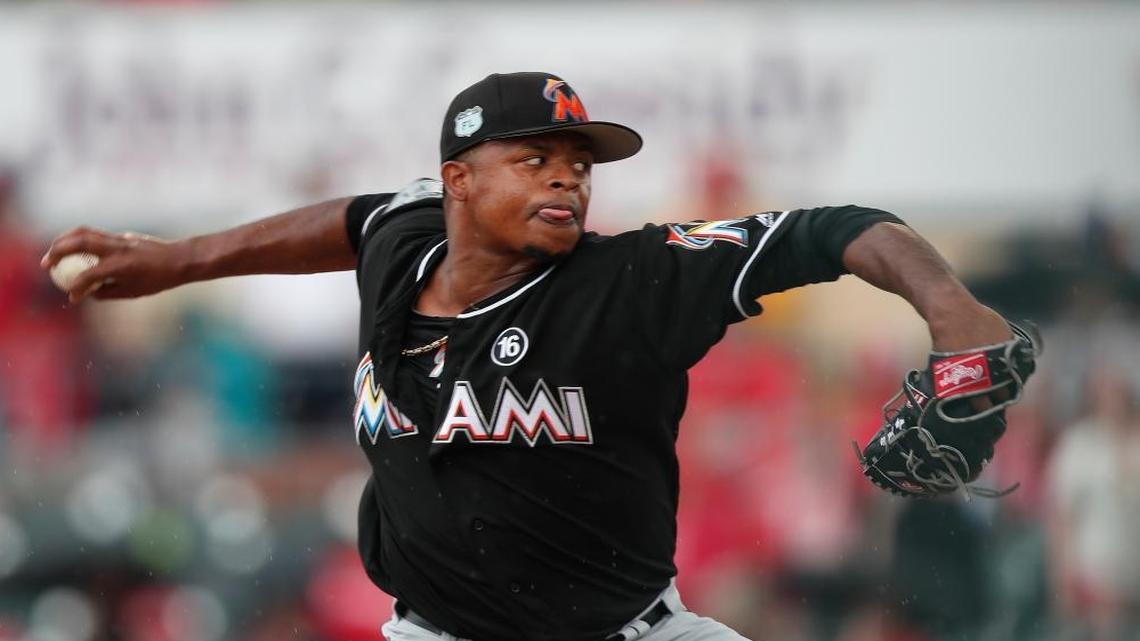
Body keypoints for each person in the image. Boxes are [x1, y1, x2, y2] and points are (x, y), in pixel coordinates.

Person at [41, 72, 1014, 641]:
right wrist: (176, 260)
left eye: (580, 163)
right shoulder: (403, 245)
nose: (568, 176)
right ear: (455, 182)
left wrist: (955, 312)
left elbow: (834, 229)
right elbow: (352, 218)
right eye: (537, 157)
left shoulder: (633, 280)